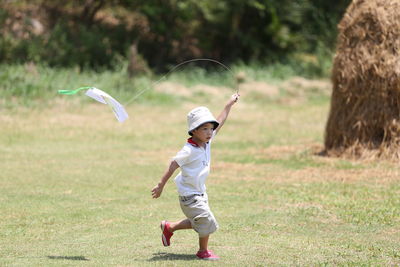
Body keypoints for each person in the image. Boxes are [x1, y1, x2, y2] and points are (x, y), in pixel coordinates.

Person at [151, 93, 240, 260]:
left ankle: (169, 228)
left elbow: (220, 120)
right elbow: (173, 164)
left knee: (200, 220)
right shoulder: (189, 150)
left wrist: (229, 104)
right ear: (194, 130)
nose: (209, 132)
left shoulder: (207, 141)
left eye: (210, 128)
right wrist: (161, 184)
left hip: (200, 192)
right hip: (189, 195)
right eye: (204, 128)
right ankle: (202, 251)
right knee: (206, 220)